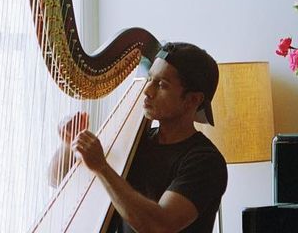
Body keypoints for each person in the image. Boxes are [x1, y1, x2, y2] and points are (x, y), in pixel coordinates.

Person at [49, 42, 227, 233]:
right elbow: (56, 178)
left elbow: (160, 225)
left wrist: (102, 167)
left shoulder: (205, 161)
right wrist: (70, 143)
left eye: (161, 85)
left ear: (193, 100)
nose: (147, 90)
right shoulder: (135, 140)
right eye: (150, 79)